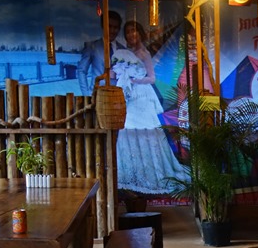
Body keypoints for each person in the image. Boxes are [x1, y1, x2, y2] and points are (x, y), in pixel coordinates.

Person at [114, 20, 189, 195]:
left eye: (134, 31)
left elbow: (152, 78)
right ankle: (132, 171)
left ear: (140, 34)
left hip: (142, 95)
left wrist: (135, 80)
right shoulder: (126, 54)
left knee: (147, 131)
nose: (131, 35)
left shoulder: (144, 53)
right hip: (130, 97)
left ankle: (153, 171)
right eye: (128, 32)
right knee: (128, 129)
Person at [77, 10, 125, 96]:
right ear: (103, 26)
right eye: (109, 26)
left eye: (115, 27)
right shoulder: (92, 46)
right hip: (96, 96)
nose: (112, 30)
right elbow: (81, 71)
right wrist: (86, 95)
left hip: (117, 97)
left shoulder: (123, 50)